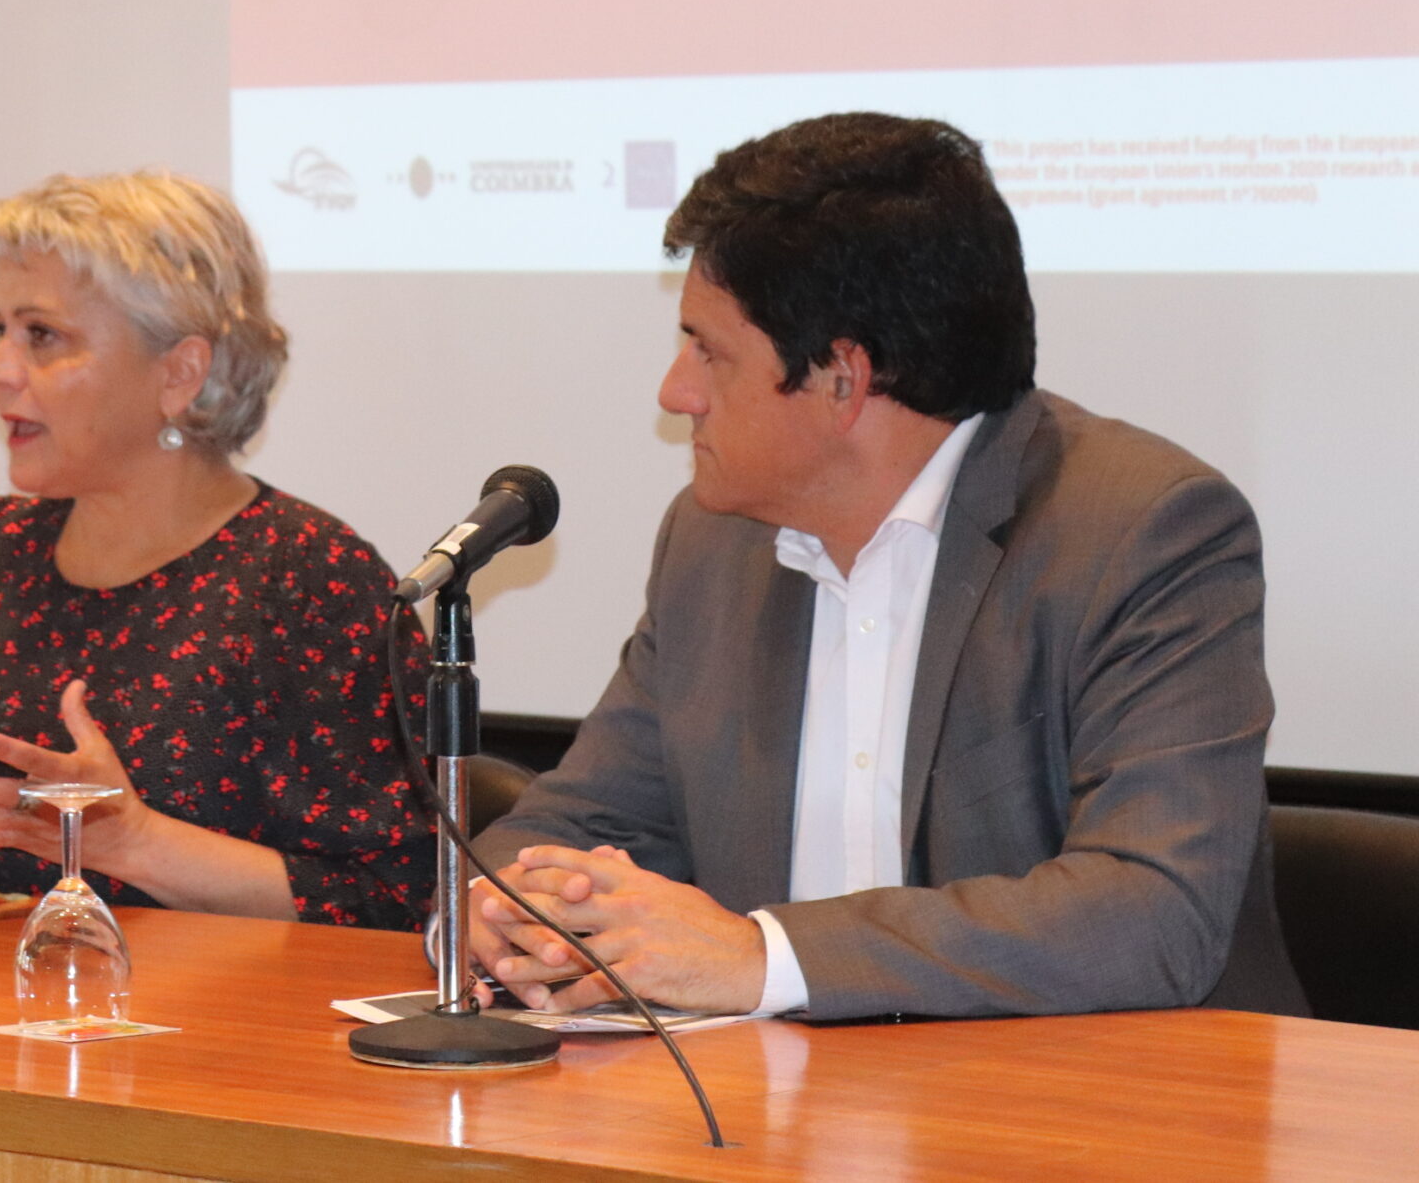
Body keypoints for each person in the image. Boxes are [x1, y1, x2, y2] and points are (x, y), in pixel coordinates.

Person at [469, 113, 1306, 1020]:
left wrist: (766, 957)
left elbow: (1155, 911)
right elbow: (575, 825)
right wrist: (516, 915)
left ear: (843, 378)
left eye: (710, 349)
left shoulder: (1143, 533)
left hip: (1106, 1118)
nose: (677, 393)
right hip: (787, 1121)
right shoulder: (714, 544)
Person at [0, 171, 429, 928]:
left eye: (42, 335)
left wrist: (140, 843)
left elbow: (401, 904)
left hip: (228, 1037)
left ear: (179, 372)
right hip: (17, 1019)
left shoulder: (308, 578)